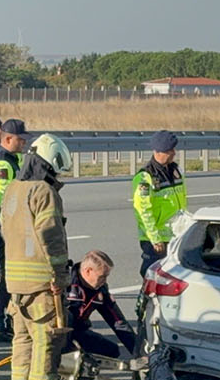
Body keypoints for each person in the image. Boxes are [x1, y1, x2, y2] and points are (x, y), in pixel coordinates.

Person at [1, 133, 75, 380]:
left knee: (21, 339)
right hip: (41, 281)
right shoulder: (44, 192)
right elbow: (51, 236)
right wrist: (59, 275)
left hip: (15, 281)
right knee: (45, 339)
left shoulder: (12, 189)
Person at [0, 118, 30, 342]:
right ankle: (2, 322)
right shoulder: (2, 162)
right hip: (1, 224)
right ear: (8, 138)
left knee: (8, 274)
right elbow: (6, 197)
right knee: (8, 276)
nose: (24, 143)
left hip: (0, 223)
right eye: (21, 140)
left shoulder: (8, 157)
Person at [132, 130, 188, 278]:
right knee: (152, 274)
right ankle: (145, 299)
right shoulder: (145, 177)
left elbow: (182, 202)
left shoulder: (176, 170)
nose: (174, 153)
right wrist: (155, 239)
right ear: (159, 151)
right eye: (170, 150)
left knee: (176, 276)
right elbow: (143, 211)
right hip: (156, 239)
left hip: (176, 234)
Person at [66, 250, 138, 359]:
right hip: (57, 335)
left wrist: (139, 353)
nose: (104, 281)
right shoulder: (64, 283)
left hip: (78, 332)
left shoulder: (101, 291)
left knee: (111, 350)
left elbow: (118, 322)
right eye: (102, 277)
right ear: (88, 271)